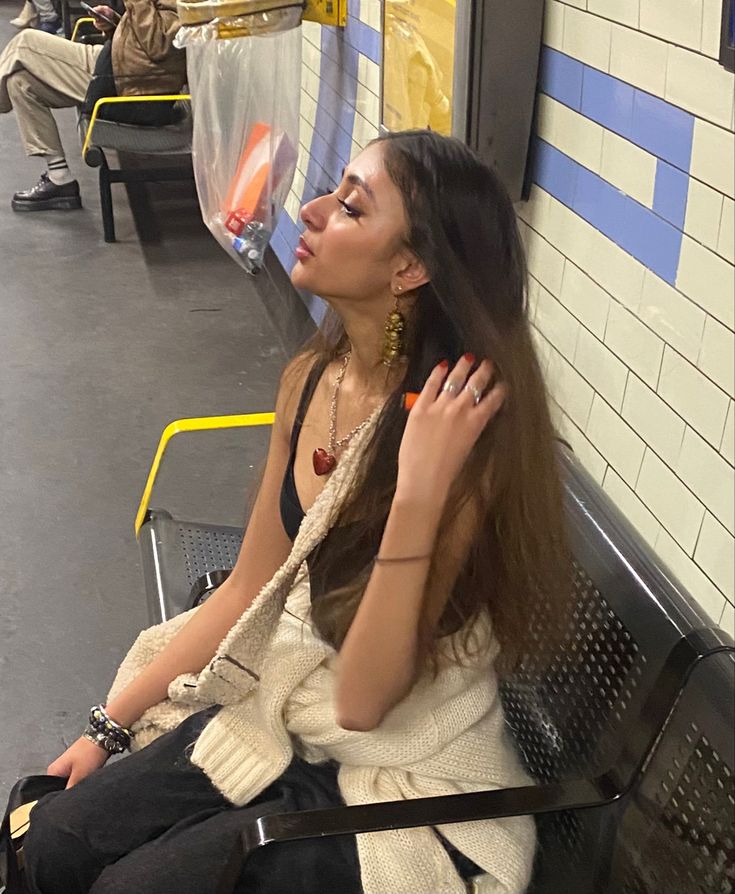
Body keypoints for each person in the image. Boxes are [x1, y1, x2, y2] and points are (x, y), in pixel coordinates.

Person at [21, 130, 571, 894]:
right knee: (52, 837)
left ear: (409, 267)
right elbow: (252, 588)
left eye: (348, 206)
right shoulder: (314, 376)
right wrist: (106, 728)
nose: (308, 211)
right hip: (289, 712)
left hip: (406, 775)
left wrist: (416, 492)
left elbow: (365, 701)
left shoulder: (461, 435)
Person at [0, 0, 185, 212]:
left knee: (25, 42)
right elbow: (149, 38)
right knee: (20, 83)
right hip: (118, 65)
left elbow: (160, 45)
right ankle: (60, 179)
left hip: (130, 84)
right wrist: (114, 22)